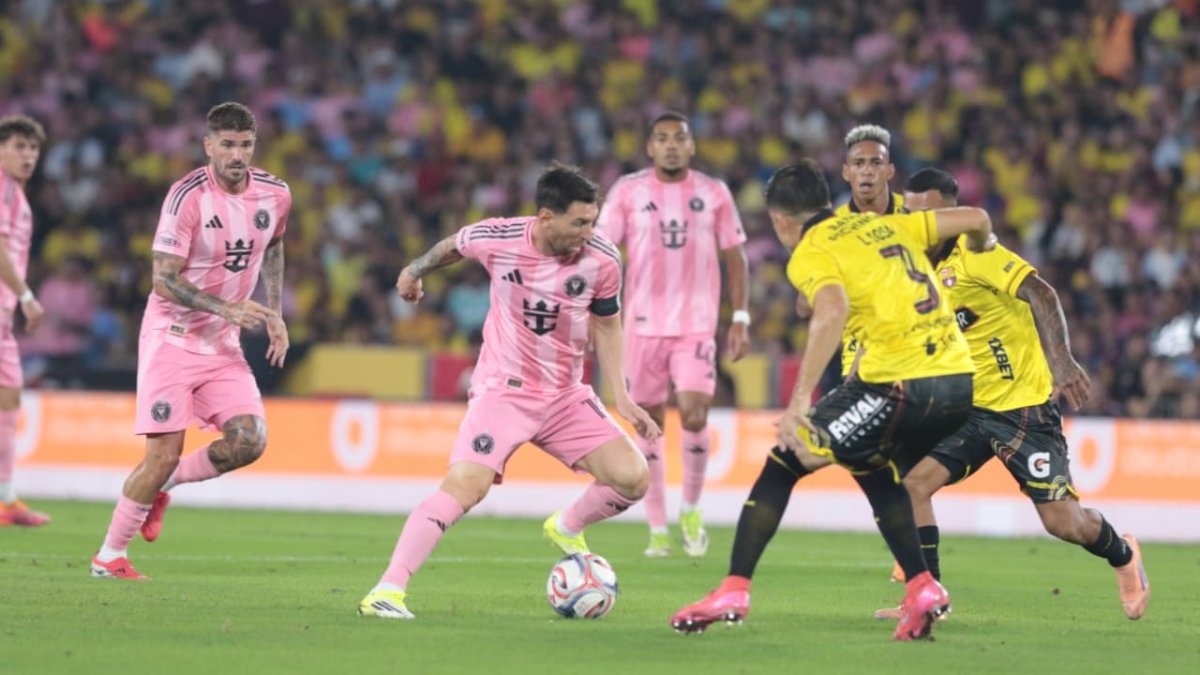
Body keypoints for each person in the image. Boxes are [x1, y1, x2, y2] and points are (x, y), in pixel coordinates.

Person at [671, 160, 995, 641]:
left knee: (785, 458)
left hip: (903, 381)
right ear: (826, 202)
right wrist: (982, 245)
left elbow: (832, 308)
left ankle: (734, 589)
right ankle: (922, 585)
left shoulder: (810, 250)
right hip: (958, 381)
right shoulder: (885, 223)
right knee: (870, 465)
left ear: (782, 221)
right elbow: (976, 219)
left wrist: (799, 399)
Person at [358, 165, 661, 620]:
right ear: (545, 217)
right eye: (579, 222)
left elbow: (608, 324)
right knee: (466, 487)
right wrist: (415, 270)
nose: (588, 232)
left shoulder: (602, 260)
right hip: (505, 390)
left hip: (565, 394)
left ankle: (566, 525)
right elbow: (452, 246)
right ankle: (388, 590)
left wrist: (621, 395)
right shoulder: (499, 238)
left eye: (592, 221)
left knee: (634, 478)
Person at [871, 168, 1148, 620]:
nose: (919, 223)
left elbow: (1041, 292)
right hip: (967, 408)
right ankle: (928, 600)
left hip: (1022, 409)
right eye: (911, 212)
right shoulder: (911, 265)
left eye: (929, 214)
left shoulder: (979, 254)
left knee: (1064, 523)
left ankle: (1123, 555)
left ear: (953, 214)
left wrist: (1060, 359)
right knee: (911, 485)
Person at [90, 102, 290, 579]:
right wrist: (227, 308)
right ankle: (109, 556)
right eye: (227, 144)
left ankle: (165, 487)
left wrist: (276, 310)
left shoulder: (276, 195)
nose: (236, 154)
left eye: (245, 144)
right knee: (160, 454)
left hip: (222, 345)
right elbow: (163, 279)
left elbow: (275, 244)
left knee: (249, 440)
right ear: (209, 146)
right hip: (172, 338)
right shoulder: (186, 197)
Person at [596, 111, 749, 558]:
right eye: (661, 138)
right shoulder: (628, 191)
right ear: (649, 147)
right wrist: (592, 314)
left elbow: (735, 256)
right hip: (641, 327)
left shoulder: (714, 193)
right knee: (650, 425)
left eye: (679, 138)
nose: (670, 146)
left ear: (692, 146)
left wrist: (740, 317)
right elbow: (603, 253)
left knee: (697, 413)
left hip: (696, 325)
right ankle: (658, 527)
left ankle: (692, 509)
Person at [0, 115, 49, 527]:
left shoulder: (15, 193)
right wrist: (28, 297)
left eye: (32, 148)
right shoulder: (4, 190)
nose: (27, 155)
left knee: (9, 398)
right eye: (18, 146)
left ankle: (6, 498)